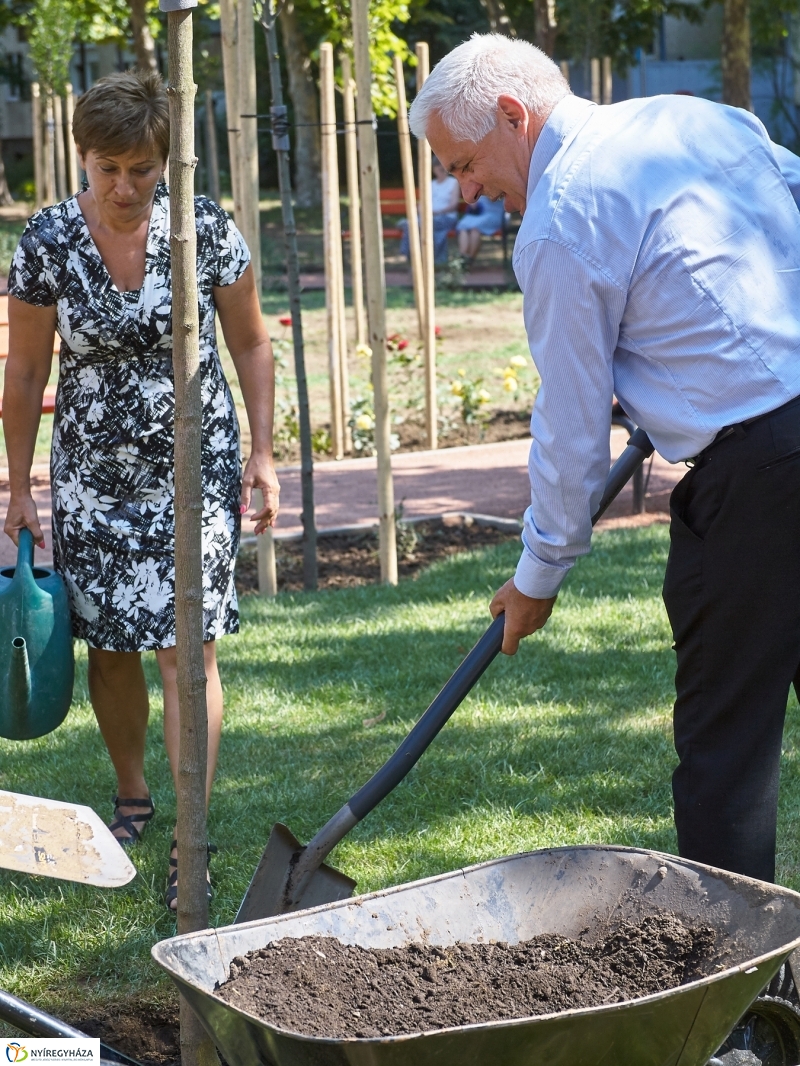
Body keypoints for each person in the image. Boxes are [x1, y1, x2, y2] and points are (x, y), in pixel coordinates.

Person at [410, 34, 800, 886]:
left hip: (761, 481)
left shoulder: (560, 222)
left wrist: (538, 575)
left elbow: (571, 428)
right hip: (773, 442)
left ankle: (740, 1004)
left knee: (724, 751)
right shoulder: (697, 120)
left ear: (516, 115)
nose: (466, 190)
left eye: (467, 164)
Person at [3, 70, 280, 910]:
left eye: (142, 169)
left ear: (168, 163)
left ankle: (191, 824)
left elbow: (254, 347)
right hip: (93, 471)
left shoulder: (203, 229)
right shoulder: (48, 240)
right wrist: (17, 484)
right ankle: (133, 795)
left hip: (195, 464)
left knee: (184, 647)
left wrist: (263, 457)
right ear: (81, 158)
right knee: (112, 644)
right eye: (106, 168)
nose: (123, 187)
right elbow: (22, 368)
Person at [399, 157, 460, 263]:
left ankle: (410, 256)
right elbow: (420, 205)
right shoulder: (430, 184)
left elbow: (453, 205)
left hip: (446, 218)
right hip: (427, 218)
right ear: (433, 169)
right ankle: (415, 257)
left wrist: (436, 212)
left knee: (413, 225)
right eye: (438, 166)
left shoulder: (453, 182)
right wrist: (423, 212)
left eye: (443, 166)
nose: (441, 169)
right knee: (416, 225)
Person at [455, 194, 505, 265]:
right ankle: (462, 258)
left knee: (475, 228)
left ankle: (469, 261)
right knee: (464, 227)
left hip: (493, 214)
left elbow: (492, 197)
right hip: (478, 216)